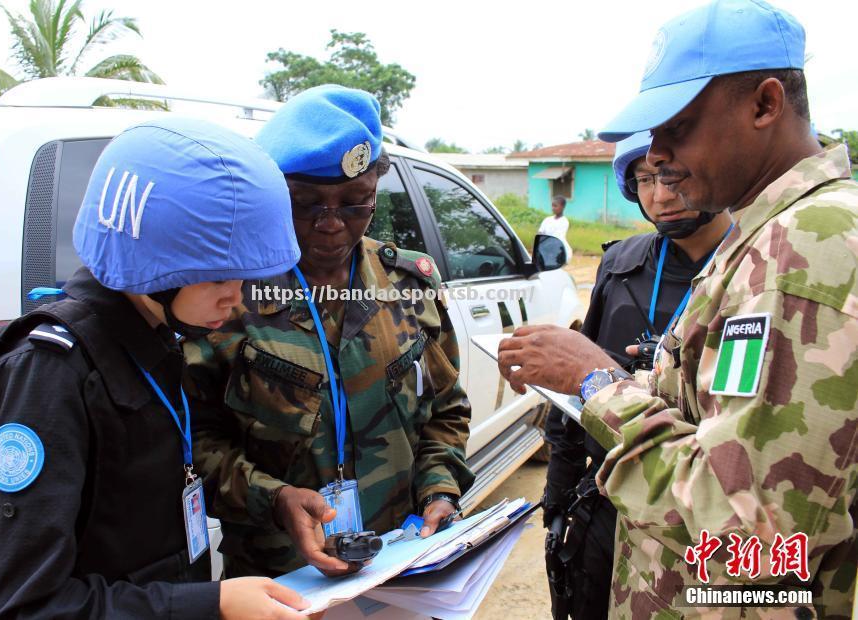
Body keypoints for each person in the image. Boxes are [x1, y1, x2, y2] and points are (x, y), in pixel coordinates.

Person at [498, 1, 857, 617]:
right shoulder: (765, 234)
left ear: (765, 105)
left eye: (677, 127)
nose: (656, 154)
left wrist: (596, 382)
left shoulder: (806, 249)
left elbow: (754, 540)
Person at [0, 117, 309, 619]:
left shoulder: (153, 341)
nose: (236, 298)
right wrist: (210, 606)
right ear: (155, 260)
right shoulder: (48, 372)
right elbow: (26, 605)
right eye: (220, 274)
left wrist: (277, 499)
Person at [185, 84, 475, 579]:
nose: (331, 224)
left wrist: (439, 489)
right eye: (307, 204)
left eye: (355, 204)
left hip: (399, 561)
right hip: (278, 580)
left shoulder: (410, 285)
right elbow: (194, 445)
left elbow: (446, 410)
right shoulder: (224, 299)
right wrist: (273, 498)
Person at [543, 130, 733, 619]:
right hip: (608, 496)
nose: (660, 194)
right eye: (644, 178)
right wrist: (558, 497)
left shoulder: (749, 269)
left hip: (701, 511)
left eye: (673, 175)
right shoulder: (619, 263)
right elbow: (572, 393)